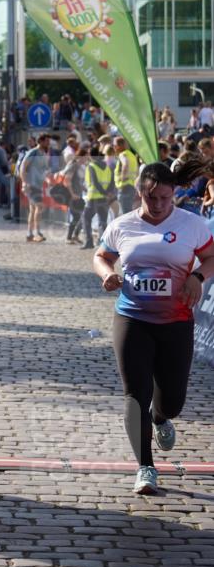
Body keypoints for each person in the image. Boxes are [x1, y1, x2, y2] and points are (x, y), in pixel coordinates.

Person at [93, 155, 214, 495]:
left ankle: (160, 418)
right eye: (151, 197)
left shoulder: (191, 224)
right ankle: (145, 467)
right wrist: (107, 275)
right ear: (139, 192)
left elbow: (211, 256)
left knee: (172, 399)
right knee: (135, 393)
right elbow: (101, 256)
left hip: (176, 321)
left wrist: (197, 276)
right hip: (132, 318)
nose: (159, 204)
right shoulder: (123, 225)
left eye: (165, 197)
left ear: (174, 193)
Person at [81, 144, 115, 249]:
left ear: (91, 156)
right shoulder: (108, 167)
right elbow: (112, 182)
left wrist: (104, 193)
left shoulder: (91, 166)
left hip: (93, 198)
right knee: (102, 221)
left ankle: (89, 242)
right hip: (104, 199)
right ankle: (103, 244)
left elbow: (95, 182)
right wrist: (108, 193)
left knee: (86, 218)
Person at [19, 132, 50, 242]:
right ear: (40, 141)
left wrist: (47, 178)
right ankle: (37, 232)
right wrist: (24, 182)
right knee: (39, 206)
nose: (48, 143)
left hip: (38, 185)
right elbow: (23, 167)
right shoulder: (33, 152)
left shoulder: (43, 154)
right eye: (46, 141)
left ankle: (29, 234)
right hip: (31, 184)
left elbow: (44, 169)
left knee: (33, 209)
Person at [63, 147, 89, 244]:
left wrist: (85, 189)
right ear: (81, 157)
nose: (87, 159)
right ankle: (70, 237)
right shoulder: (74, 165)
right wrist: (72, 194)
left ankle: (74, 236)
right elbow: (68, 180)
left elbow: (78, 182)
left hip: (78, 195)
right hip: (73, 196)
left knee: (81, 216)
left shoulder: (79, 166)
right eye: (86, 157)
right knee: (77, 216)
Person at [113, 137, 139, 215]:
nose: (113, 147)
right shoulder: (132, 155)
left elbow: (125, 163)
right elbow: (137, 171)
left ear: (119, 146)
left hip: (124, 186)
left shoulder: (122, 154)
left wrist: (122, 178)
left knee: (125, 213)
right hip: (131, 186)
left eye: (114, 145)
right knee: (129, 211)